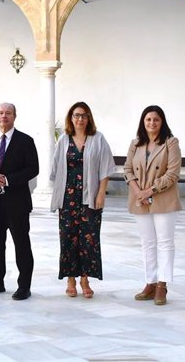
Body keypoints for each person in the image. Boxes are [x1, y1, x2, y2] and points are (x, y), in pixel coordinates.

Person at [50, 102, 115, 299]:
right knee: (68, 237)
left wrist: (101, 193)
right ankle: (70, 279)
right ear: (71, 117)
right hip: (68, 196)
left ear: (89, 118)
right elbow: (55, 169)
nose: (80, 119)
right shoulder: (63, 139)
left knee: (89, 238)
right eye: (77, 115)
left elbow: (105, 168)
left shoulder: (98, 139)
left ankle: (85, 279)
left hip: (90, 196)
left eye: (84, 115)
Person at [0, 103, 39, 300]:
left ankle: (24, 286)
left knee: (21, 244)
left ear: (14, 117)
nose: (4, 116)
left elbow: (33, 168)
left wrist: (9, 180)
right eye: (1, 113)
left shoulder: (25, 141)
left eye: (8, 113)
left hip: (17, 203)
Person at [124, 105, 182, 306]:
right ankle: (150, 282)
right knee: (147, 242)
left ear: (162, 122)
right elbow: (128, 168)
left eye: (156, 119)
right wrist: (138, 191)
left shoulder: (170, 143)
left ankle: (162, 285)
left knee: (165, 242)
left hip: (163, 199)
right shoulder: (135, 143)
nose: (152, 123)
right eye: (148, 119)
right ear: (143, 121)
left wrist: (149, 191)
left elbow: (173, 173)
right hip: (140, 200)